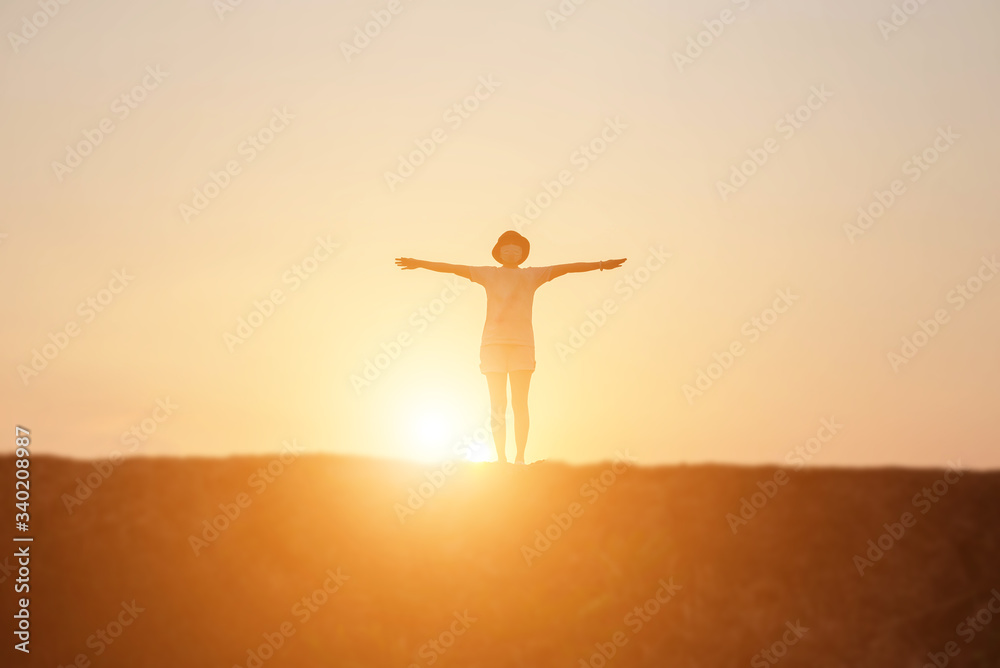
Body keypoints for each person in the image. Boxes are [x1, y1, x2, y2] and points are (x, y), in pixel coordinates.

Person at [395, 230, 625, 464]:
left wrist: (601, 265)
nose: (511, 252)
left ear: (523, 254)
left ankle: (520, 458)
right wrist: (419, 263)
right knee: (497, 404)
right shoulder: (487, 274)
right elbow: (454, 267)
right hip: (492, 344)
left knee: (519, 402)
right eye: (507, 248)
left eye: (517, 249)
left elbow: (566, 267)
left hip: (522, 345)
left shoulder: (533, 275)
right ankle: (501, 458)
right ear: (499, 252)